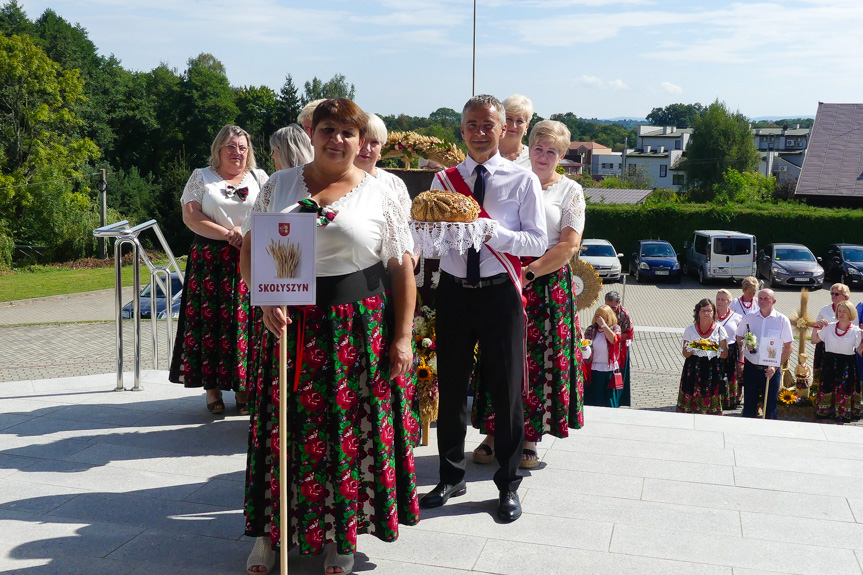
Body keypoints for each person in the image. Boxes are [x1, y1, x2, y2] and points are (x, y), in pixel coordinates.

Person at [240, 99, 419, 575]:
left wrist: (402, 337)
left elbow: (402, 269)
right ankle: (271, 534)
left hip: (355, 329)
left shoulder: (380, 193)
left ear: (361, 141)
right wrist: (263, 297)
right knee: (283, 430)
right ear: (312, 133)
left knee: (347, 432)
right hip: (288, 324)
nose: (336, 139)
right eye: (327, 129)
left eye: (347, 132)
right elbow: (251, 250)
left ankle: (343, 535)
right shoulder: (279, 184)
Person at [419, 94, 547, 524]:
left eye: (487, 125)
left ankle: (508, 484)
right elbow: (432, 244)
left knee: (508, 390)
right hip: (455, 291)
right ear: (462, 130)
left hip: (500, 293)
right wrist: (425, 236)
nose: (479, 132)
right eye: (471, 125)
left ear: (503, 129)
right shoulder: (443, 181)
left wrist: (497, 233)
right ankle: (451, 475)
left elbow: (537, 242)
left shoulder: (521, 180)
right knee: (452, 388)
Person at [471, 119, 584, 470]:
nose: (543, 156)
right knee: (497, 353)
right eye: (538, 148)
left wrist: (531, 272)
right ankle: (493, 432)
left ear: (562, 155)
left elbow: (569, 245)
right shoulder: (513, 177)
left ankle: (530, 437)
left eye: (552, 151)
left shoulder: (571, 192)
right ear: (529, 147)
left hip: (546, 285)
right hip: (505, 274)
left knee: (537, 361)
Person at [168, 125, 268, 415]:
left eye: (242, 147)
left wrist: (243, 231)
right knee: (211, 325)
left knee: (246, 323)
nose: (237, 152)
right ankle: (212, 389)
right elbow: (191, 216)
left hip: (250, 257)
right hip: (211, 261)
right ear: (218, 150)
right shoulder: (201, 177)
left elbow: (271, 212)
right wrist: (228, 233)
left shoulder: (260, 177)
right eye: (231, 146)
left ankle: (243, 388)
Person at [736, 289, 793, 419]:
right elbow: (739, 338)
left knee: (770, 406)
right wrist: (746, 344)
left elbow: (789, 347)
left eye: (766, 298)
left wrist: (775, 366)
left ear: (773, 301)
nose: (762, 301)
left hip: (771, 369)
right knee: (749, 405)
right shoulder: (749, 317)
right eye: (760, 298)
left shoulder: (781, 320)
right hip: (752, 367)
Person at [811, 300, 863, 422]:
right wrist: (816, 327)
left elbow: (860, 352)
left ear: (851, 313)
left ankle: (841, 420)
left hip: (847, 365)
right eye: (839, 311)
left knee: (844, 392)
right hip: (830, 363)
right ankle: (824, 419)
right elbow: (814, 340)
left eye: (844, 311)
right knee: (827, 390)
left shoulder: (856, 331)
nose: (841, 314)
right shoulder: (829, 327)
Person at [677, 299, 728, 414]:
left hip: (712, 368)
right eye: (703, 310)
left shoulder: (720, 330)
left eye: (709, 311)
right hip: (693, 367)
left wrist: (714, 348)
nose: (706, 313)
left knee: (710, 399)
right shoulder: (690, 329)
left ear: (714, 313)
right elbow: (685, 354)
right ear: (698, 313)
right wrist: (694, 346)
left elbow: (725, 354)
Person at [354, 113, 411, 215]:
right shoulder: (330, 181)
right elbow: (314, 226)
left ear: (382, 147)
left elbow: (406, 224)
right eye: (361, 141)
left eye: (374, 143)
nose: (366, 148)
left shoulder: (395, 184)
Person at [814, 283, 855, 383]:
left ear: (845, 296)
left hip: (844, 348)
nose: (833, 296)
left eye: (836, 294)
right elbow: (817, 325)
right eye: (831, 293)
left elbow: (855, 330)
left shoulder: (851, 310)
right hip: (824, 346)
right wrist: (819, 326)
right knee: (823, 376)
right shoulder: (825, 309)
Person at [582, 305, 622, 407]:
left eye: (603, 317)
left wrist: (604, 326)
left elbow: (614, 340)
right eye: (598, 316)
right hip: (594, 368)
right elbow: (585, 344)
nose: (599, 319)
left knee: (608, 399)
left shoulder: (615, 328)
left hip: (608, 369)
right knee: (594, 398)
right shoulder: (591, 329)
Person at [604, 291, 634, 407]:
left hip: (621, 350)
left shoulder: (625, 314)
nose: (610, 310)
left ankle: (619, 400)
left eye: (613, 307)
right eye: (608, 306)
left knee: (619, 375)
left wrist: (613, 336)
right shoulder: (603, 311)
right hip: (605, 348)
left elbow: (630, 335)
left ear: (619, 303)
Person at [715, 289, 743, 409]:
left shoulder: (737, 317)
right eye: (718, 299)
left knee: (729, 376)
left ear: (729, 302)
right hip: (714, 351)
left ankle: (729, 401)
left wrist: (741, 360)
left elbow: (741, 342)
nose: (719, 302)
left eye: (723, 299)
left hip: (731, 351)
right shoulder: (711, 315)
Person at [499, 94, 533, 168]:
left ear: (527, 126)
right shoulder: (486, 153)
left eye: (519, 121)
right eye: (509, 119)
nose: (513, 125)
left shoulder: (533, 158)